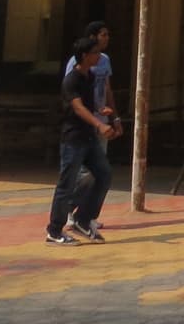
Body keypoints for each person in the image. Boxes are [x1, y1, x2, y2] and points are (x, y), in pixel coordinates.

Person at [45, 37, 117, 245]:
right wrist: (99, 124)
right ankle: (54, 230)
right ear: (85, 55)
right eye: (95, 52)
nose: (99, 56)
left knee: (103, 174)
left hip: (89, 138)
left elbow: (89, 104)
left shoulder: (91, 77)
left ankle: (83, 219)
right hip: (73, 139)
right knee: (66, 184)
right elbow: (78, 107)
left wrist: (101, 111)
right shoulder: (71, 80)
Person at [64, 22, 116, 119]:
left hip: (101, 117)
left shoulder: (105, 60)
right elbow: (70, 92)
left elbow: (107, 89)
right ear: (93, 37)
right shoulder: (75, 64)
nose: (107, 38)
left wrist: (114, 117)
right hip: (81, 120)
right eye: (103, 35)